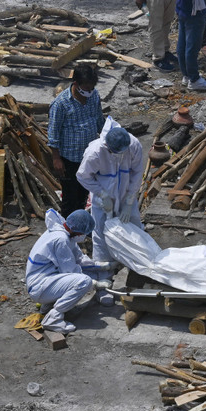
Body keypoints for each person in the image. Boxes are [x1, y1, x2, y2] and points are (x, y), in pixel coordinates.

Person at [77, 120, 144, 305]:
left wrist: (130, 200)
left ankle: (138, 270)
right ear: (108, 146)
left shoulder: (133, 144)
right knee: (100, 235)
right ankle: (104, 281)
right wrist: (102, 194)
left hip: (125, 196)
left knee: (135, 228)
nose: (121, 155)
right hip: (103, 199)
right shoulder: (95, 151)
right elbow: (82, 176)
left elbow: (137, 172)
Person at [25, 209, 106, 334]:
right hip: (39, 287)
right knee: (84, 282)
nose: (84, 236)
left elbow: (78, 258)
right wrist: (95, 284)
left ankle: (49, 305)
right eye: (84, 233)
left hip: (43, 279)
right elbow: (70, 270)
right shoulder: (61, 240)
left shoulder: (63, 232)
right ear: (78, 231)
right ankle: (53, 319)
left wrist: (100, 266)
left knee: (83, 278)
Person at [48, 64, 104, 218]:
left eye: (92, 88)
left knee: (83, 195)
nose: (89, 91)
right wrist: (56, 158)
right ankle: (67, 229)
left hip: (89, 157)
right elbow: (53, 133)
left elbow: (100, 121)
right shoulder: (60, 104)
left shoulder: (94, 96)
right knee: (70, 198)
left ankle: (79, 227)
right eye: (86, 88)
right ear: (76, 84)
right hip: (69, 159)